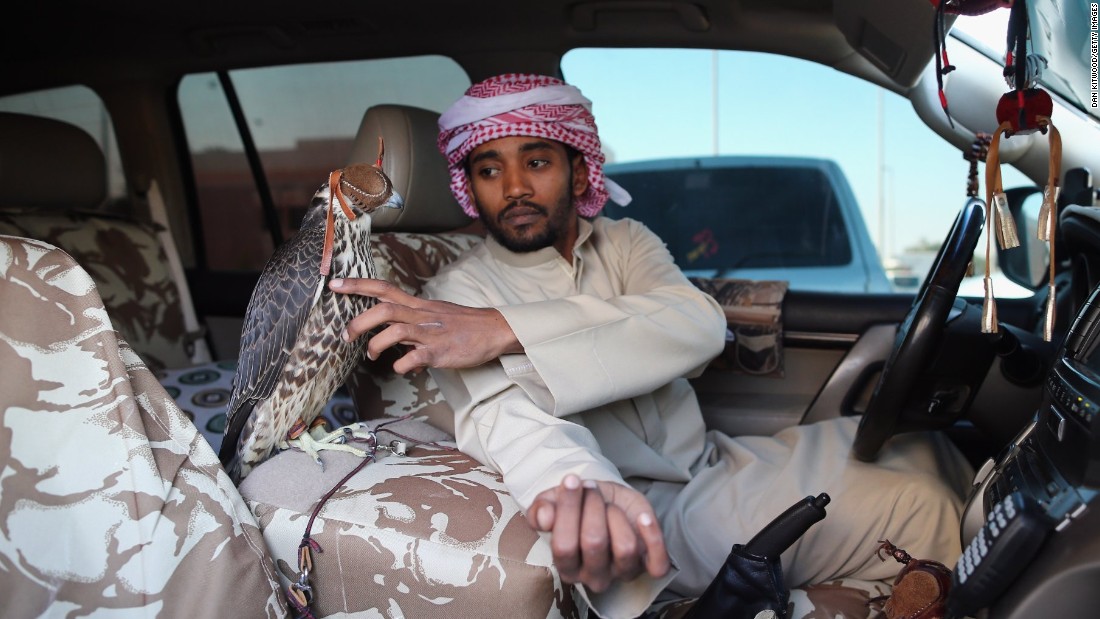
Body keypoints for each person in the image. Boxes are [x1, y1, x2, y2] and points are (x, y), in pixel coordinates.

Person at [330, 73, 973, 618]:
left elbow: (695, 325)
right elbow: (501, 416)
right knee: (923, 504)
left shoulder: (624, 241)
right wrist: (578, 484)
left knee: (926, 447)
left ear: (578, 167)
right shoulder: (454, 294)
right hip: (653, 503)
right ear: (470, 183)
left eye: (536, 161)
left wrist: (507, 327)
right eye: (490, 169)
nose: (516, 188)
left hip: (714, 461)